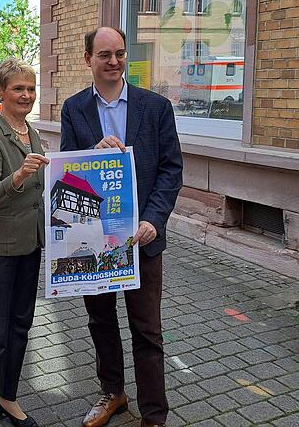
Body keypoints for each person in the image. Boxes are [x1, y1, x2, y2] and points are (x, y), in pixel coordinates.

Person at [60, 27, 183, 427]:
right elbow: (66, 172)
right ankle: (112, 393)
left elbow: (170, 170)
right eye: (104, 55)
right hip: (95, 241)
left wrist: (153, 220)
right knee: (101, 322)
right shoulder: (74, 109)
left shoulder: (156, 107)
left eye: (120, 54)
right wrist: (87, 157)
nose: (114, 61)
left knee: (147, 330)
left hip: (142, 238)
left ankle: (154, 415)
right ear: (88, 60)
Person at [0, 58, 49, 427]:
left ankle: (8, 397)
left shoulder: (31, 132)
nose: (26, 95)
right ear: (0, 92)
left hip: (29, 244)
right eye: (18, 88)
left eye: (31, 89)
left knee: (21, 325)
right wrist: (18, 175)